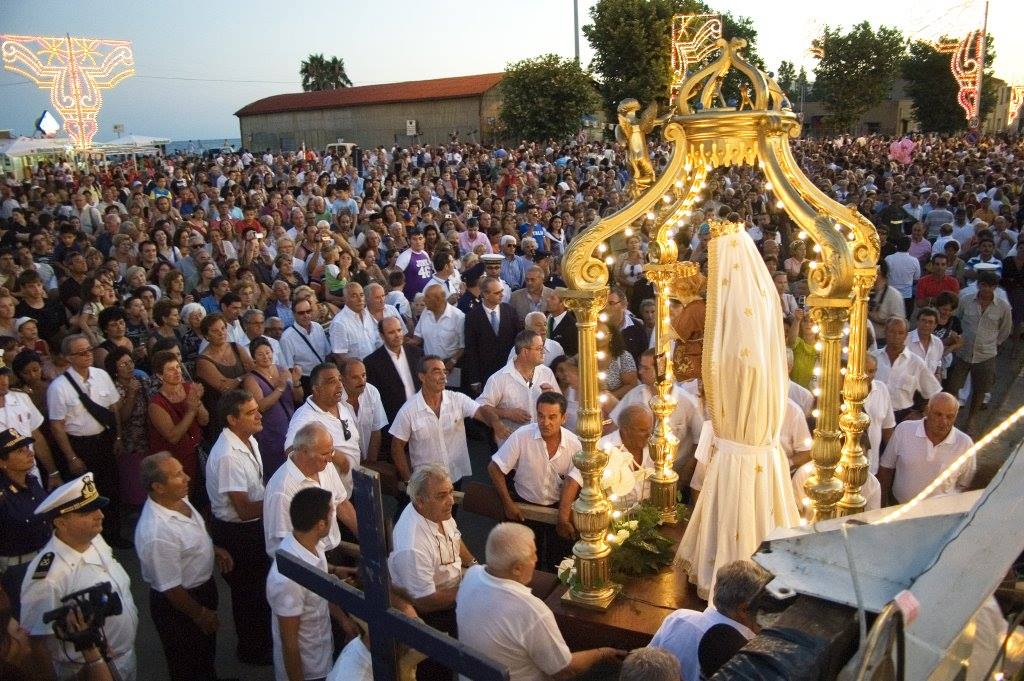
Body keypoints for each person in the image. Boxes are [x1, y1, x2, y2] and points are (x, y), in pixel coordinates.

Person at [457, 523, 626, 681]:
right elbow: (565, 670)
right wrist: (602, 653)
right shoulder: (531, 610)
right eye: (533, 555)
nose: (536, 560)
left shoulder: (471, 576)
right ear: (516, 568)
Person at [19, 474, 139, 681]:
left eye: (98, 507)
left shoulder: (95, 538)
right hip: (84, 671)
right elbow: (37, 643)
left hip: (124, 658)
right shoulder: (47, 576)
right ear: (61, 522)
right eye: (87, 511)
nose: (99, 515)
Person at [134, 453, 232, 681]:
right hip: (181, 605)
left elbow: (190, 535)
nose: (186, 477)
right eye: (177, 475)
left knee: (205, 652)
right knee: (187, 662)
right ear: (158, 487)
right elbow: (170, 587)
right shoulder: (157, 532)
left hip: (202, 589)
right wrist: (199, 614)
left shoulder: (178, 498)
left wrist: (212, 548)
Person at [389, 464, 477, 677]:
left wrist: (474, 565)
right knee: (438, 672)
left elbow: (454, 537)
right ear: (420, 501)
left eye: (450, 492)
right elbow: (425, 601)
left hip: (451, 592)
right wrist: (468, 589)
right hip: (430, 616)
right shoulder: (413, 545)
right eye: (441, 496)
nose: (451, 500)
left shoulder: (437, 512)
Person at [204, 389, 272, 666]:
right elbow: (243, 509)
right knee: (248, 594)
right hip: (238, 534)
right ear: (232, 420)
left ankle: (261, 642)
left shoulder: (248, 440)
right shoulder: (228, 456)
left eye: (257, 408)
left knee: (258, 591)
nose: (258, 414)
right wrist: (279, 502)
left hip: (253, 527)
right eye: (250, 412)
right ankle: (252, 651)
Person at [47, 335, 126, 547]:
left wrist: (117, 436)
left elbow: (113, 409)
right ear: (68, 358)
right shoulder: (59, 387)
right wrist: (71, 457)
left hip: (104, 440)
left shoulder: (101, 375)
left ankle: (114, 534)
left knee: (111, 487)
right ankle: (91, 540)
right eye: (81, 352)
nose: (87, 355)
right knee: (86, 494)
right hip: (80, 445)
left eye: (89, 350)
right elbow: (57, 426)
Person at [487, 392, 578, 568]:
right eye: (541, 416)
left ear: (564, 418)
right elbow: (494, 467)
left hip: (559, 508)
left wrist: (563, 516)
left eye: (552, 417)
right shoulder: (522, 435)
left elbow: (572, 482)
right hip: (523, 507)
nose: (545, 422)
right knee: (521, 564)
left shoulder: (575, 444)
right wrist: (508, 503)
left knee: (558, 565)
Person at [267, 487, 348, 681]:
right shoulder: (287, 579)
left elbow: (323, 590)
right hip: (308, 672)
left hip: (323, 658)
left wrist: (343, 621)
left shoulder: (314, 546)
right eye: (331, 512)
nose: (333, 515)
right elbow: (290, 644)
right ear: (320, 524)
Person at [390, 355, 508, 485]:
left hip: (455, 476)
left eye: (444, 371)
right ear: (422, 377)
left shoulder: (458, 399)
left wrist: (495, 423)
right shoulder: (408, 410)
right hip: (427, 482)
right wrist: (409, 482)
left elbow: (481, 411)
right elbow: (397, 447)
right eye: (436, 371)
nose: (443, 376)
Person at [649, 560, 769, 681]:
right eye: (763, 605)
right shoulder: (752, 654)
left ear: (715, 588)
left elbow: (645, 665)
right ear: (743, 610)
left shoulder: (678, 619)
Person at [264, 421, 357, 559]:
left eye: (331, 452)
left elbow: (341, 503)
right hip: (307, 564)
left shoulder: (324, 465)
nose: (330, 459)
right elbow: (287, 546)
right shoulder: (282, 490)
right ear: (303, 452)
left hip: (333, 550)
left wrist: (365, 538)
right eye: (325, 453)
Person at [609, 349, 704, 484]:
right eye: (640, 366)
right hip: (639, 473)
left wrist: (687, 472)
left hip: (675, 474)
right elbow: (614, 426)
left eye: (645, 368)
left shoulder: (686, 401)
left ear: (661, 371)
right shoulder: (635, 394)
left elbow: (700, 441)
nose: (640, 372)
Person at [558, 406, 654, 538]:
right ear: (625, 430)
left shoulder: (653, 445)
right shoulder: (603, 448)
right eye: (643, 430)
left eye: (650, 428)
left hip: (648, 519)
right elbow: (572, 481)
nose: (649, 434)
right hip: (612, 524)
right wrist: (563, 519)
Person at [944, 270, 1013, 431]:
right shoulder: (966, 300)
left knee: (980, 389)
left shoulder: (1003, 307)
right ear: (979, 285)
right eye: (984, 285)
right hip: (963, 352)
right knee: (953, 386)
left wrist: (994, 344)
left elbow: (1005, 329)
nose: (987, 290)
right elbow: (957, 319)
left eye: (991, 287)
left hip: (986, 354)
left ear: (995, 288)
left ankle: (972, 418)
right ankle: (950, 416)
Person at [878, 392, 975, 505]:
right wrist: (882, 504)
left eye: (949, 416)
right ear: (927, 411)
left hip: (938, 517)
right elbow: (886, 469)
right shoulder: (904, 430)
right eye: (938, 414)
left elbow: (965, 485)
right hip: (898, 508)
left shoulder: (965, 443)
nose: (943, 421)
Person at [285, 363, 362, 491]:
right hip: (330, 497)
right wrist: (333, 454)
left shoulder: (341, 406)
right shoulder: (305, 417)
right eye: (332, 382)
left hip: (352, 487)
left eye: (340, 380)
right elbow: (291, 450)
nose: (339, 386)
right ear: (316, 389)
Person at [478, 330, 560, 438]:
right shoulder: (499, 378)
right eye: (539, 348)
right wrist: (507, 413)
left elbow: (561, 407)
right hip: (512, 447)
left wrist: (552, 397)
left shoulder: (546, 372)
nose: (543, 352)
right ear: (525, 351)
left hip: (543, 443)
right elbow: (480, 408)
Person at [242, 337, 301, 481]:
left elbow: (298, 397)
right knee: (277, 472)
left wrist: (296, 381)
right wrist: (280, 388)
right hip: (270, 434)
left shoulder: (282, 370)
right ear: (253, 357)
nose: (265, 357)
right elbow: (261, 406)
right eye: (260, 354)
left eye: (268, 352)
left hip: (292, 427)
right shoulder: (251, 379)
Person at [0, 364, 63, 492]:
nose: (3, 381)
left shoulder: (20, 398)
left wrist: (53, 472)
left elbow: (36, 436)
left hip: (31, 475)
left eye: (4, 375)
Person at [0, 429, 51, 574]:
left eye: (27, 447)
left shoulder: (32, 481)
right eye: (19, 451)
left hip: (47, 556)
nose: (30, 453)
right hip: (18, 567)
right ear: (2, 462)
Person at [871, 318, 941, 422]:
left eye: (900, 333)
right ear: (885, 332)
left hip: (901, 417)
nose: (896, 336)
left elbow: (933, 393)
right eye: (892, 332)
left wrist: (921, 414)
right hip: (873, 415)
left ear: (906, 335)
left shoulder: (916, 362)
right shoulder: (873, 358)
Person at [463, 276, 522, 395]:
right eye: (497, 293)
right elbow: (471, 349)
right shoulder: (473, 316)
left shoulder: (510, 311)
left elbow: (518, 341)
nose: (501, 295)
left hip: (509, 370)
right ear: (485, 294)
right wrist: (474, 379)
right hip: (486, 374)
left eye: (502, 291)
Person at [364, 316, 423, 427]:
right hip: (394, 422)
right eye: (391, 332)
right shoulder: (372, 362)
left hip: (421, 416)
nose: (397, 335)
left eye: (399, 330)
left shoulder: (417, 353)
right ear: (382, 336)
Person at [413, 284, 465, 387]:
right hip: (429, 367)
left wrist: (452, 362)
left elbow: (463, 346)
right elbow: (417, 338)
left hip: (450, 368)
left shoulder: (458, 317)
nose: (424, 300)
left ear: (438, 299)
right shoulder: (425, 313)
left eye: (427, 297)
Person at [338, 357, 387, 464]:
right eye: (355, 377)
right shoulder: (335, 398)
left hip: (368, 460)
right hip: (344, 463)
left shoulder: (372, 392)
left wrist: (370, 464)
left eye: (363, 375)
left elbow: (376, 430)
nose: (362, 381)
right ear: (342, 379)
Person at [279, 298, 331, 394]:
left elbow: (327, 353)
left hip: (324, 375)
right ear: (294, 314)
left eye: (308, 311)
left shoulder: (318, 327)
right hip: (306, 381)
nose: (306, 315)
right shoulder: (286, 338)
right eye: (301, 313)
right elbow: (289, 368)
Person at [329, 282, 380, 361]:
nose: (360, 299)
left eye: (361, 295)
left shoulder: (367, 314)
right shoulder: (339, 323)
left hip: (376, 364)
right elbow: (340, 356)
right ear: (345, 299)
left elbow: (377, 339)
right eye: (354, 296)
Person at [604, 287, 647, 366]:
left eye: (611, 303)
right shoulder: (597, 327)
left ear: (624, 305)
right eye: (603, 304)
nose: (606, 308)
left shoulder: (637, 327)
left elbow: (643, 356)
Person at [884, 236, 921, 317]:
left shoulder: (889, 259)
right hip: (907, 296)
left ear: (896, 245)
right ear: (909, 246)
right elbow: (916, 278)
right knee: (905, 320)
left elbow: (885, 276)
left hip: (891, 294)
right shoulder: (914, 261)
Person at [546, 289, 578, 358]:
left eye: (552, 298)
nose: (548, 300)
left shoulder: (572, 326)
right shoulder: (547, 318)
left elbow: (572, 353)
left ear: (563, 303)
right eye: (549, 297)